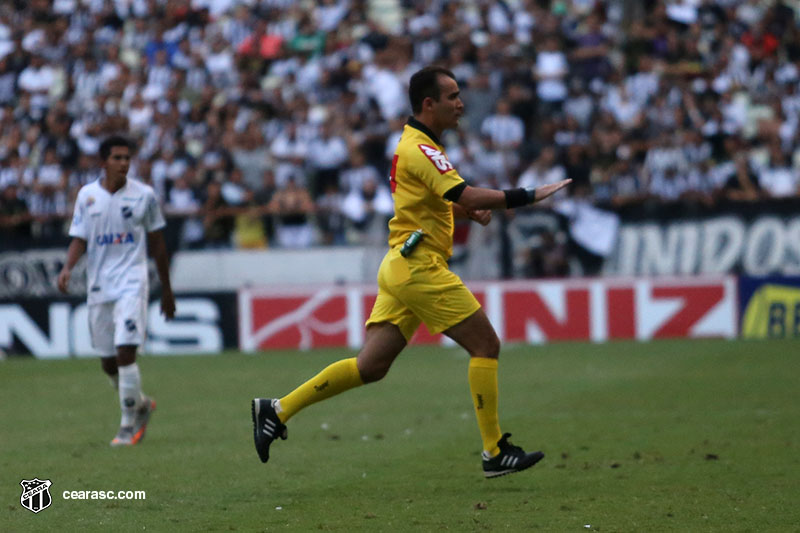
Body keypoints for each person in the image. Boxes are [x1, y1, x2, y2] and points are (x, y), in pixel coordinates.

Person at [251, 66, 570, 478]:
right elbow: (466, 191)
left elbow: (426, 201)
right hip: (419, 267)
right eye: (452, 96)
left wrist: (460, 210)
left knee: (370, 367)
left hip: (402, 262)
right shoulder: (421, 148)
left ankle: (277, 409)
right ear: (428, 104)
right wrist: (528, 195)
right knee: (485, 345)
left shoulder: (415, 145)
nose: (460, 103)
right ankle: (494, 451)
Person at [58, 135, 176, 447]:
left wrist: (167, 289)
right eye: (117, 158)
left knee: (126, 351)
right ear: (103, 161)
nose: (124, 163)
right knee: (108, 362)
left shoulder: (144, 196)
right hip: (99, 286)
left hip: (132, 283)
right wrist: (68, 267)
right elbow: (80, 237)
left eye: (127, 158)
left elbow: (158, 244)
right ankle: (139, 402)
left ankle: (128, 423)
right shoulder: (87, 196)